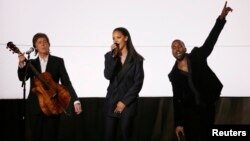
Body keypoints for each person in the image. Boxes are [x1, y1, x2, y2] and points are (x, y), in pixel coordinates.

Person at [168, 2, 232, 141]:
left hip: (207, 107)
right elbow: (176, 100)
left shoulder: (197, 56)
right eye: (174, 47)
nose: (177, 48)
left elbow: (210, 41)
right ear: (172, 52)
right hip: (190, 113)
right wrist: (178, 123)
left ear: (185, 49)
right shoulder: (174, 75)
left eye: (180, 46)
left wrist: (221, 19)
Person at [17, 33, 82, 141]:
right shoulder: (31, 63)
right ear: (35, 47)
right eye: (39, 42)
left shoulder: (58, 61)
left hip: (53, 105)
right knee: (35, 137)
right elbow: (22, 78)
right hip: (35, 108)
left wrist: (75, 100)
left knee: (51, 137)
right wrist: (21, 64)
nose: (43, 44)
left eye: (45, 42)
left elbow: (66, 82)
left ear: (49, 44)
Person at [103, 27, 144, 141]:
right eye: (113, 38)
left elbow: (138, 83)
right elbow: (107, 75)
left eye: (118, 37)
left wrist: (124, 102)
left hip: (128, 104)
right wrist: (113, 58)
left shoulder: (137, 59)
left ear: (126, 38)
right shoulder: (109, 56)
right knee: (109, 136)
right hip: (111, 102)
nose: (115, 40)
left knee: (126, 136)